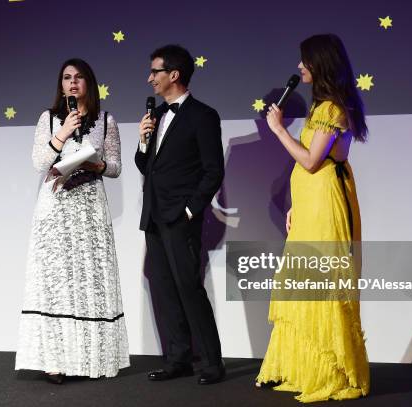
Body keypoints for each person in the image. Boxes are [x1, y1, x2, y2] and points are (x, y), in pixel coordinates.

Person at [256, 34, 370, 402]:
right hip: (311, 203)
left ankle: (332, 371)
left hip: (326, 203)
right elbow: (309, 166)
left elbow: (310, 160)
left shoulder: (332, 108)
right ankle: (306, 368)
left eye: (304, 61)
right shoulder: (322, 107)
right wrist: (295, 204)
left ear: (320, 63)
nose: (299, 67)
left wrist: (277, 130)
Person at [15, 58, 129, 383]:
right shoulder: (48, 118)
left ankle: (91, 358)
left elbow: (116, 167)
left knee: (89, 280)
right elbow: (39, 161)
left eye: (79, 77)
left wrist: (98, 166)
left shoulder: (106, 120)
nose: (73, 83)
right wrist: (62, 135)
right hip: (56, 207)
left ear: (88, 83)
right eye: (67, 78)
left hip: (90, 206)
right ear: (61, 85)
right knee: (56, 283)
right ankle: (54, 362)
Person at [135, 45, 226, 385]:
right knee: (164, 288)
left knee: (189, 288)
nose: (149, 78)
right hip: (155, 217)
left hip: (180, 217)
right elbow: (147, 166)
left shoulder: (203, 116)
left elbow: (213, 171)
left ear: (173, 75)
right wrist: (144, 142)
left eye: (154, 71)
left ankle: (213, 363)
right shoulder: (156, 115)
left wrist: (190, 210)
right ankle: (178, 360)